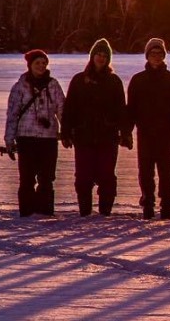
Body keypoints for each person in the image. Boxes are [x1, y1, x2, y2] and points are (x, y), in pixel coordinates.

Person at [62, 38, 130, 216]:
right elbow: (69, 108)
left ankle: (105, 211)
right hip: (83, 135)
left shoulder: (114, 81)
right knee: (83, 176)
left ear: (108, 59)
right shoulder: (79, 80)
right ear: (92, 56)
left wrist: (126, 133)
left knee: (107, 175)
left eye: (104, 55)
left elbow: (121, 109)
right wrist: (66, 132)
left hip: (107, 136)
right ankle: (85, 210)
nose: (101, 58)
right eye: (98, 54)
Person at [4, 49, 65, 217]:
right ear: (30, 65)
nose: (41, 66)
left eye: (44, 63)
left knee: (47, 178)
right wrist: (9, 140)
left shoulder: (53, 85)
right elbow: (12, 114)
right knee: (27, 178)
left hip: (48, 138)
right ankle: (27, 211)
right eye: (37, 63)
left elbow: (62, 109)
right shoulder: (20, 86)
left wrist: (66, 132)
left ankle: (45, 212)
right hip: (26, 137)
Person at [126, 38, 170, 220]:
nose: (156, 57)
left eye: (159, 54)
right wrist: (126, 132)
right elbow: (131, 109)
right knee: (146, 172)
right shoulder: (138, 80)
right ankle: (148, 203)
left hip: (167, 134)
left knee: (167, 172)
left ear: (164, 56)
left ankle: (166, 203)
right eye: (153, 54)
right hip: (145, 133)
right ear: (147, 56)